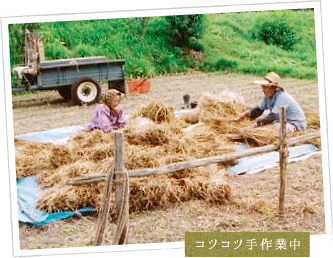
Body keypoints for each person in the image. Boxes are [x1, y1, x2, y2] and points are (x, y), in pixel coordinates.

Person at [236, 72, 307, 133]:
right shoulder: (268, 96)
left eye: (266, 87)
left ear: (273, 87)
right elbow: (258, 110)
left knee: (273, 130)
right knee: (269, 127)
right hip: (282, 122)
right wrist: (245, 115)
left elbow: (273, 116)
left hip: (294, 125)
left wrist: (253, 126)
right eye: (263, 87)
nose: (263, 90)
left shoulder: (282, 97)